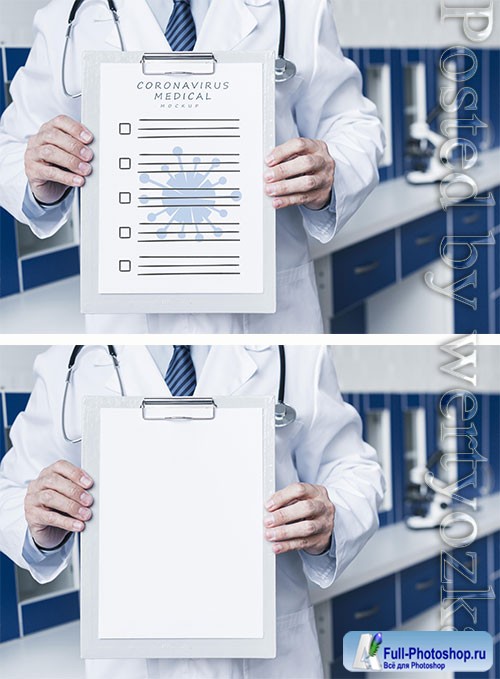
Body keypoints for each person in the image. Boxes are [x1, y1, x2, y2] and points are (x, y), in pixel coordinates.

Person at [0, 344, 384, 679]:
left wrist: (329, 514)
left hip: (271, 659)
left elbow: (354, 470)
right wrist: (39, 524)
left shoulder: (292, 352)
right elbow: (12, 491)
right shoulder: (69, 362)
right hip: (130, 661)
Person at [0, 0, 384, 333]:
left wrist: (329, 168)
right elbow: (13, 146)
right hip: (128, 318)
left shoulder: (295, 8)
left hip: (270, 315)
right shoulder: (69, 17)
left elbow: (354, 125)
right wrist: (40, 177)